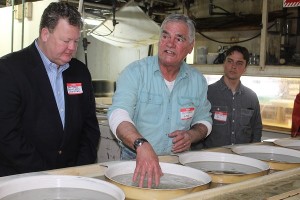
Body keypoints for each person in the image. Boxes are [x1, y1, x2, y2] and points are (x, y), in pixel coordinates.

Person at [108, 14, 212, 188]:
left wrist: (191, 135)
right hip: (135, 162)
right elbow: (118, 114)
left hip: (177, 165)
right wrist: (141, 144)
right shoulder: (135, 72)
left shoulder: (197, 81)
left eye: (179, 38)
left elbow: (205, 120)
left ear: (190, 46)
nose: (170, 43)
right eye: (165, 36)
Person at [0, 2, 100, 177]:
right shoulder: (10, 70)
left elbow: (90, 127)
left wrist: (79, 171)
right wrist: (47, 175)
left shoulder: (80, 72)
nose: (72, 48)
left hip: (71, 177)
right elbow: (7, 135)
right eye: (66, 41)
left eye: (76, 41)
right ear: (45, 34)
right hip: (22, 178)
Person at [201, 45, 262, 149]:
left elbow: (256, 130)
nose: (233, 66)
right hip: (212, 158)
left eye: (239, 63)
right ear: (224, 63)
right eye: (230, 61)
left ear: (245, 68)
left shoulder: (251, 97)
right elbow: (197, 127)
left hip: (242, 159)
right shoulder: (207, 93)